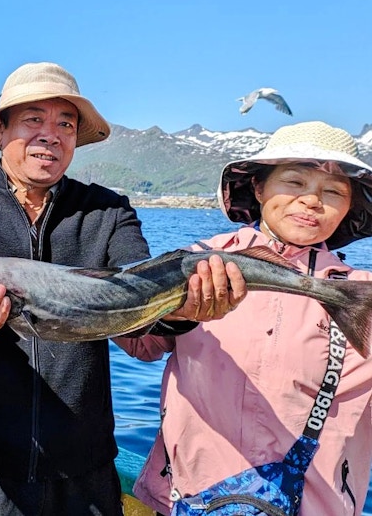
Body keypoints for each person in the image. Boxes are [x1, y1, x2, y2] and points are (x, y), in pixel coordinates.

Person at [0, 59, 246, 516]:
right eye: (33, 119)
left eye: (65, 124)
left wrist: (181, 311)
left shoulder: (109, 212)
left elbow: (139, 288)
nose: (51, 134)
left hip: (85, 468)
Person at [116, 120, 372, 515]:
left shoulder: (362, 292)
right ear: (258, 187)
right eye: (295, 183)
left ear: (349, 207)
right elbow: (138, 341)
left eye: (333, 192)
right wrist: (175, 315)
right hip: (182, 499)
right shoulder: (197, 260)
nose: (312, 201)